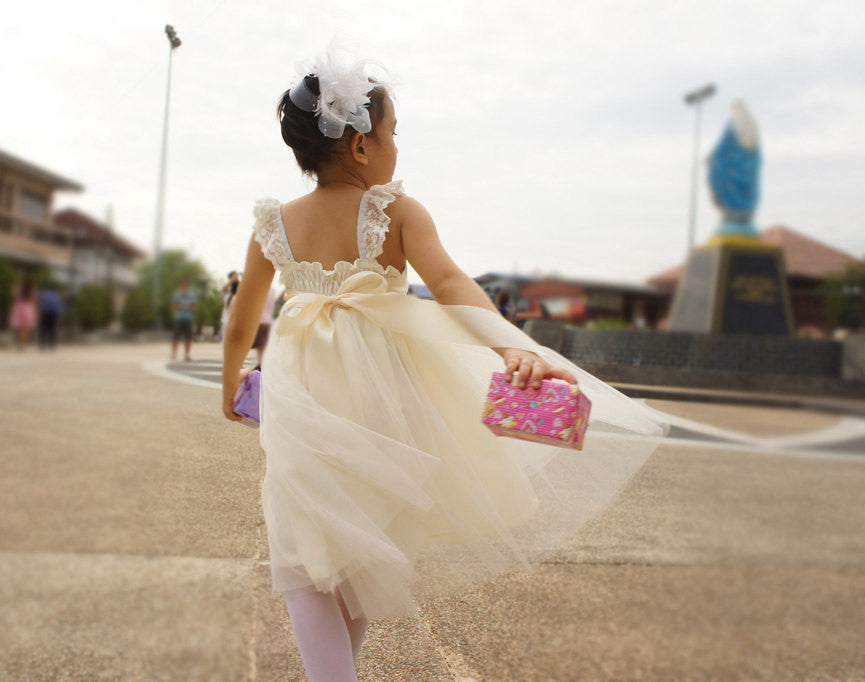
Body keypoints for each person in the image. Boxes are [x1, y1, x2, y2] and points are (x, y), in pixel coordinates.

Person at [221, 50, 666, 681]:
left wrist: (227, 382)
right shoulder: (396, 211)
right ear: (359, 147)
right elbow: (452, 283)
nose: (396, 146)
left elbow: (243, 319)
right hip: (386, 397)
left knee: (306, 536)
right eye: (392, 132)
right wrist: (512, 347)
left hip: (303, 396)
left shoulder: (274, 224)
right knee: (362, 538)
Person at [170, 278, 196, 361]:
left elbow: (194, 307)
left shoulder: (192, 295)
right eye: (184, 284)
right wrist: (181, 306)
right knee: (176, 336)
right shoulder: (177, 295)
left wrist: (187, 306)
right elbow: (174, 306)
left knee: (188, 337)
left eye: (187, 284)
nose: (185, 286)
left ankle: (187, 354)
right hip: (179, 318)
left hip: (189, 318)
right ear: (181, 285)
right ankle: (174, 353)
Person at [251, 284, 278, 366]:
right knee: (262, 346)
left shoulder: (259, 287)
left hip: (258, 320)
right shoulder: (272, 290)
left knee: (248, 344)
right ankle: (260, 363)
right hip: (267, 321)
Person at [8, 276, 36, 350]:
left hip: (18, 308)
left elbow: (14, 299)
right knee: (25, 328)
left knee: (19, 328)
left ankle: (19, 342)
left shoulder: (17, 289)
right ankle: (23, 343)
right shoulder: (31, 291)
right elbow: (32, 301)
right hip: (27, 309)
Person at [37, 284, 63, 350]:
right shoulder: (56, 296)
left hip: (44, 313)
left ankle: (42, 344)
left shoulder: (43, 295)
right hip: (52, 314)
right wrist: (58, 317)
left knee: (43, 329)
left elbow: (40, 305)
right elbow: (57, 307)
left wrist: (39, 314)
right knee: (52, 330)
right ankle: (52, 345)